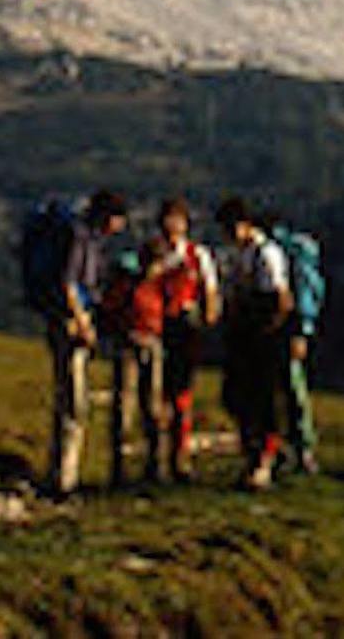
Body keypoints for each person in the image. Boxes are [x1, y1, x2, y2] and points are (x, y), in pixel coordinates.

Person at [36, 188, 128, 499]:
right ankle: (63, 479)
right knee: (74, 401)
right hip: (71, 321)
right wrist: (84, 322)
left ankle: (61, 472)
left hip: (67, 318)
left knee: (69, 397)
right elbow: (69, 283)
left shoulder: (85, 236)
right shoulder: (81, 238)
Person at [217, 196, 293, 489]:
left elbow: (278, 298)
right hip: (243, 334)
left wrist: (268, 333)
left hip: (262, 335)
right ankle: (254, 455)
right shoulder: (240, 254)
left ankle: (264, 458)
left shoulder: (266, 253)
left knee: (263, 401)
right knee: (238, 398)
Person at [153, 196, 219, 481]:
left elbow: (210, 290)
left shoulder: (197, 255)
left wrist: (207, 319)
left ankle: (180, 457)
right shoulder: (153, 253)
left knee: (181, 395)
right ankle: (158, 459)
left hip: (185, 327)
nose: (172, 226)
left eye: (177, 220)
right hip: (158, 326)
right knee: (158, 395)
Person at [105, 234, 171, 487]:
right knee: (125, 405)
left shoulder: (157, 285)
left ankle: (155, 465)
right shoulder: (130, 284)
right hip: (132, 343)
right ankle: (121, 468)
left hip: (149, 342)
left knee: (152, 405)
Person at [270, 216, 325, 475]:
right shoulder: (295, 250)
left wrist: (300, 331)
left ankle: (298, 448)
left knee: (289, 389)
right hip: (291, 328)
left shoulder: (283, 251)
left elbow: (301, 295)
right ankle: (299, 448)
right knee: (290, 389)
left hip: (285, 329)